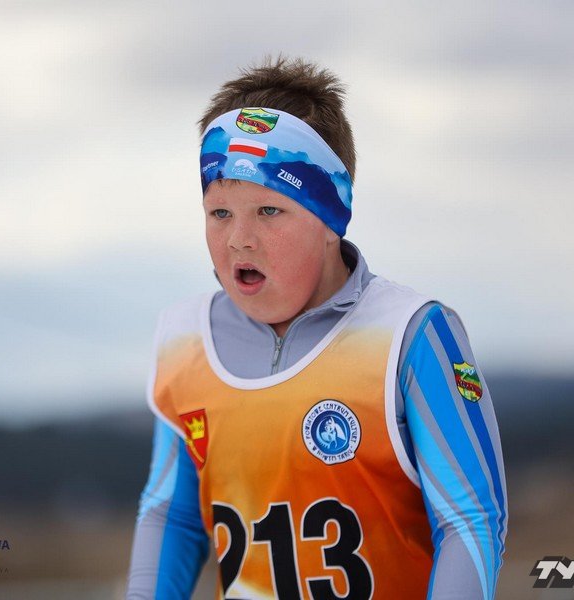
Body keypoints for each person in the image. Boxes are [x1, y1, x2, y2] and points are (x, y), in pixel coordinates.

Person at [126, 56, 507, 600]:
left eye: (268, 210)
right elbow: (174, 518)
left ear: (331, 215)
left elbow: (470, 521)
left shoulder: (412, 335)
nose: (239, 239)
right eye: (220, 213)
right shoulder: (184, 341)